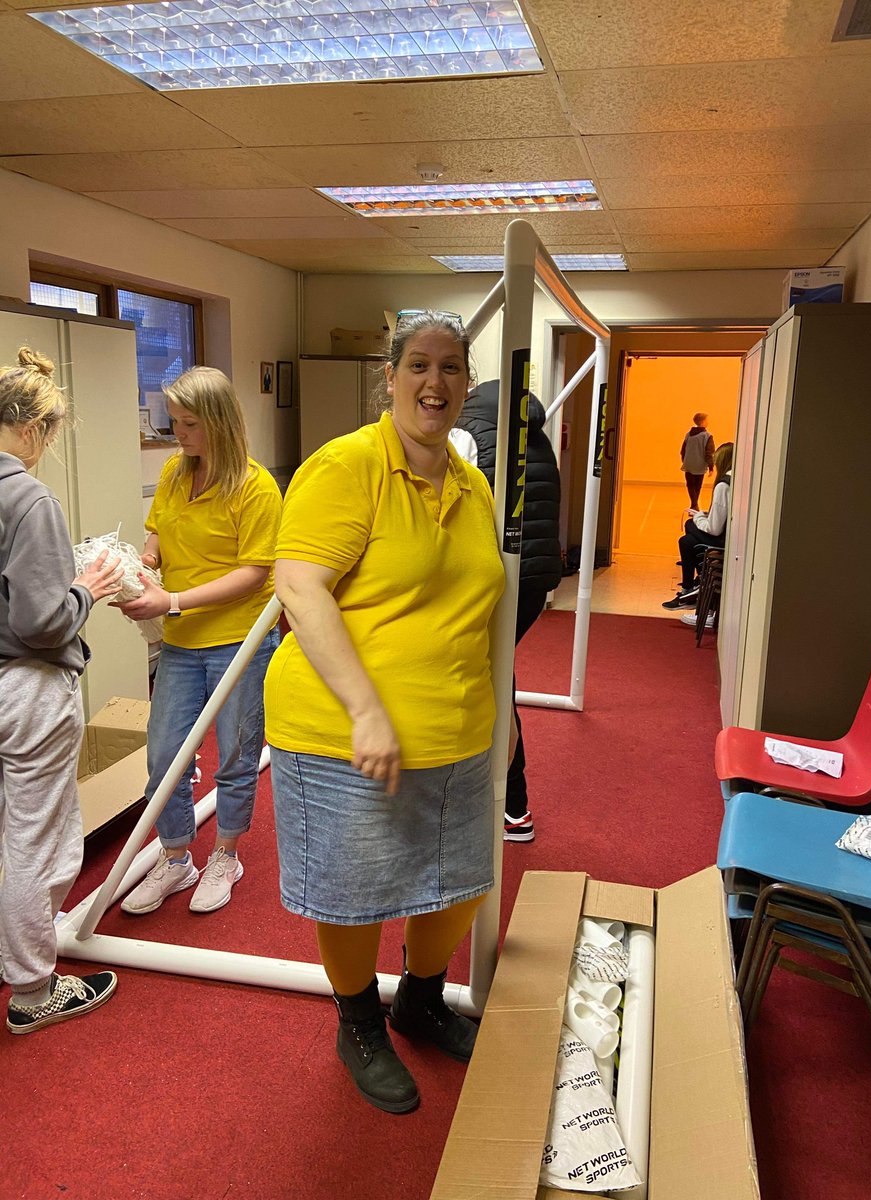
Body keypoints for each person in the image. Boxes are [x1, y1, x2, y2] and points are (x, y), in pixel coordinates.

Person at [265, 311, 507, 1115]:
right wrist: (367, 710)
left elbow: (477, 610)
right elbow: (299, 587)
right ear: (392, 379)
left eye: (450, 368)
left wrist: (501, 723)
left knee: (458, 882)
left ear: (467, 385)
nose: (434, 383)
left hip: (457, 729)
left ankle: (422, 999)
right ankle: (360, 1021)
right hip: (343, 731)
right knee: (354, 890)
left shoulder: (471, 483)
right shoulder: (348, 466)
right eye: (417, 367)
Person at [117, 366, 282, 916]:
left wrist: (173, 601)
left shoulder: (257, 487)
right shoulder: (173, 471)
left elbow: (256, 572)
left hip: (241, 639)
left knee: (235, 754)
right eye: (173, 422)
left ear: (219, 423)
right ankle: (175, 857)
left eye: (189, 423)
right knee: (165, 752)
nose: (178, 433)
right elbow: (159, 529)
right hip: (183, 641)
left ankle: (226, 855)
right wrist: (142, 563)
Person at [0, 345, 123, 1034]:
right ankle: (33, 991)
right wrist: (86, 589)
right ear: (37, 429)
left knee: (3, 833)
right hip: (25, 687)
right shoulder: (27, 496)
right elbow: (42, 622)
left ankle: (8, 955)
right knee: (36, 841)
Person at [450, 379, 562, 844]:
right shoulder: (533, 431)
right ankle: (510, 804)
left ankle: (508, 804)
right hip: (535, 577)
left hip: (496, 576)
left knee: (490, 687)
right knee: (499, 680)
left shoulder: (467, 433)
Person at [662, 441, 733, 611]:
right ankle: (693, 585)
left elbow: (714, 528)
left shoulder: (724, 485)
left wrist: (699, 516)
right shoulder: (735, 479)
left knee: (687, 534)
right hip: (730, 536)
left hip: (724, 540)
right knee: (687, 539)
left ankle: (693, 586)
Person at [680, 411, 715, 509]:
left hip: (689, 464)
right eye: (707, 420)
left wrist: (685, 460)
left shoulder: (688, 434)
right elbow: (709, 452)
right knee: (697, 486)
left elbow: (683, 450)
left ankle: (694, 505)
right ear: (703, 422)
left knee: (690, 485)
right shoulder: (707, 436)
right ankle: (694, 505)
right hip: (700, 465)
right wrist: (711, 466)